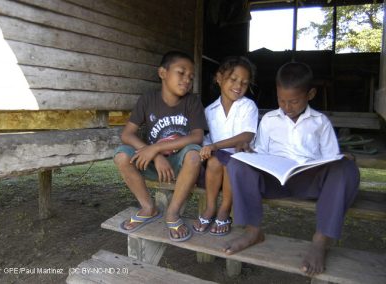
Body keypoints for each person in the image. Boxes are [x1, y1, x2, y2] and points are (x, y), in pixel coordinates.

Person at [224, 62, 359, 276]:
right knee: (237, 163)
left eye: (294, 101)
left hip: (309, 183)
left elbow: (330, 159)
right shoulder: (269, 119)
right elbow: (261, 154)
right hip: (274, 181)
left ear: (310, 94)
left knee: (346, 169)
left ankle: (320, 241)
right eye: (281, 100)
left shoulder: (320, 122)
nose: (287, 106)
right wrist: (248, 151)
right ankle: (253, 231)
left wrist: (341, 159)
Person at [114, 50, 207, 242]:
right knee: (122, 156)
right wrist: (155, 155)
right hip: (154, 164)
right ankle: (148, 207)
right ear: (163, 73)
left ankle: (172, 213)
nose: (187, 80)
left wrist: (155, 148)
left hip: (181, 166)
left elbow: (197, 136)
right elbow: (127, 134)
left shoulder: (192, 101)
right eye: (181, 73)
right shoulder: (148, 99)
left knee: (193, 155)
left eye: (190, 77)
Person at [192, 56, 258, 236]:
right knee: (214, 162)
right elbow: (206, 140)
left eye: (244, 83)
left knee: (230, 162)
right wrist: (207, 149)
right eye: (233, 79)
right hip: (216, 164)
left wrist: (215, 146)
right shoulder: (210, 111)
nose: (238, 86)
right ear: (219, 78)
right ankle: (211, 207)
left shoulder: (248, 106)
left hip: (240, 160)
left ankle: (225, 210)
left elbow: (247, 135)